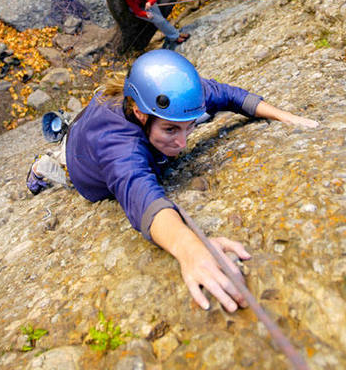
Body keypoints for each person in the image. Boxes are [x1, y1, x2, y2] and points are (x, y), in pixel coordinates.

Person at [60, 50, 318, 312]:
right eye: (170, 129)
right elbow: (140, 193)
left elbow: (228, 95)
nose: (183, 143)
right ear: (140, 114)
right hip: (80, 160)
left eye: (190, 126)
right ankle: (50, 163)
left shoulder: (177, 98)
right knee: (65, 167)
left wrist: (284, 116)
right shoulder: (118, 147)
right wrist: (189, 247)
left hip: (102, 119)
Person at [123, 0, 190, 44]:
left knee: (160, 21)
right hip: (140, 10)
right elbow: (137, 11)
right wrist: (145, 14)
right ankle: (175, 37)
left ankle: (175, 34)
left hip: (148, 3)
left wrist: (149, 2)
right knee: (160, 21)